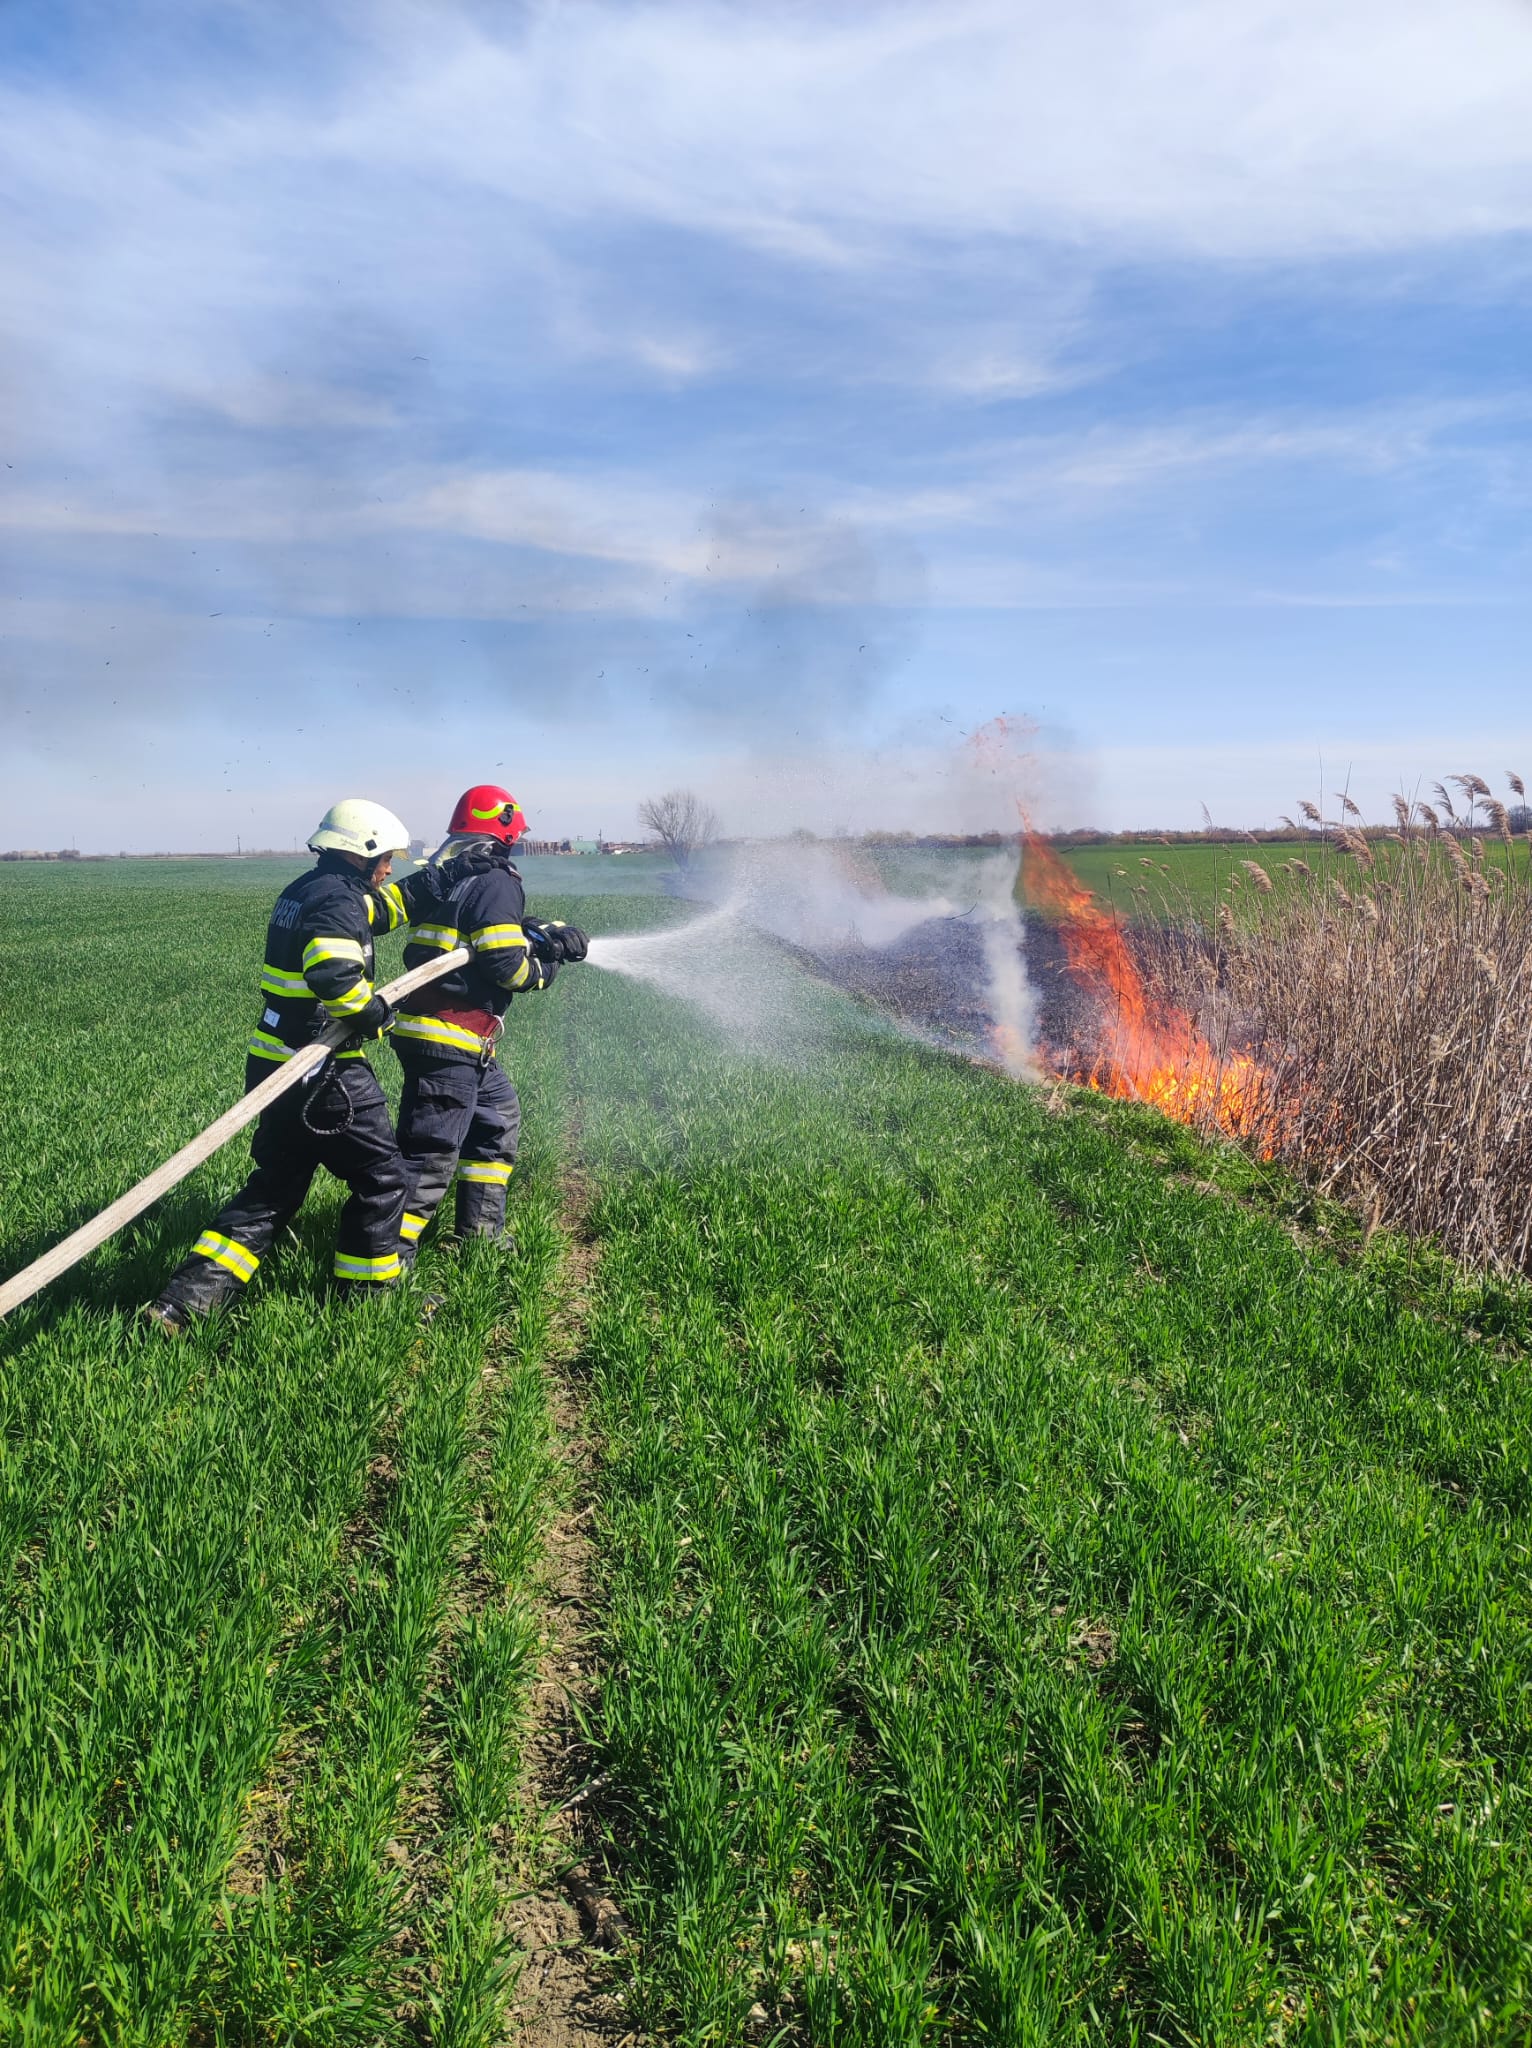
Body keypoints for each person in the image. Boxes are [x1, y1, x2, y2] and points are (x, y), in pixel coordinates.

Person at [146, 799, 451, 1327]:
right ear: (361, 853)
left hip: (274, 1062)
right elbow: (334, 975)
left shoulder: (308, 889)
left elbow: (381, 911)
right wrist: (375, 1014)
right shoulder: (337, 900)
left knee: (276, 1186)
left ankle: (184, 1304)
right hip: (323, 1069)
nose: (389, 869)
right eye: (386, 858)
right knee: (384, 1178)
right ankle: (371, 1296)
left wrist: (439, 879)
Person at [391, 783, 587, 1261]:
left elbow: (481, 932)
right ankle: (385, 1266)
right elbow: (506, 966)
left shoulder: (445, 877)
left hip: (447, 1036)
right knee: (430, 1157)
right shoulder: (497, 880)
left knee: (496, 1121)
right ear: (505, 834)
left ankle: (482, 1237)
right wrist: (546, 967)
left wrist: (537, 930)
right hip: (450, 1037)